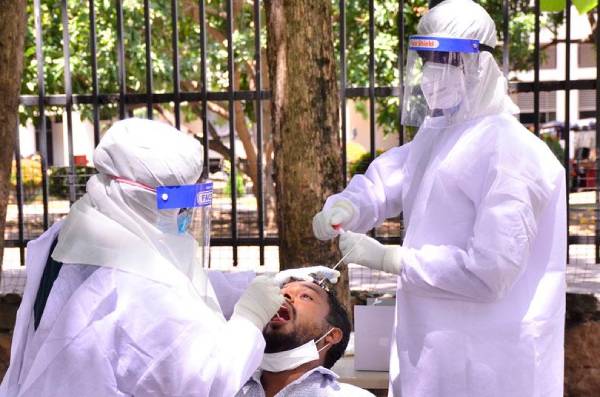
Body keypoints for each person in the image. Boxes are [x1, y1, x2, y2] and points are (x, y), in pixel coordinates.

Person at [312, 1, 566, 396]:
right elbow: (391, 179)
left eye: (446, 60)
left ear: (480, 67)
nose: (433, 73)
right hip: (431, 351)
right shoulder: (441, 135)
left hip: (494, 363)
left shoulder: (513, 152)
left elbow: (490, 271)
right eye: (427, 59)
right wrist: (349, 206)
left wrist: (391, 259)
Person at [0, 118, 284, 397]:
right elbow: (212, 380)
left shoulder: (85, 228)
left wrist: (250, 286)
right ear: (140, 197)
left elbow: (173, 281)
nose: (185, 214)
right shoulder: (138, 289)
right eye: (178, 203)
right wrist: (250, 315)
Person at [236, 279, 374, 397]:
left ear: (331, 335)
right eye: (281, 292)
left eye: (306, 296)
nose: (284, 295)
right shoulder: (226, 388)